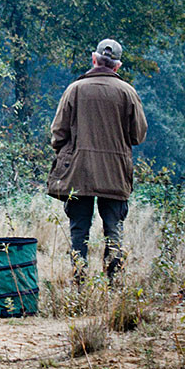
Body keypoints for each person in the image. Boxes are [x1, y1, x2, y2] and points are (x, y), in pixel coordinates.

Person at [47, 38, 147, 285]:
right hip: (115, 174)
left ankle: (79, 284)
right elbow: (138, 135)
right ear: (117, 66)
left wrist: (70, 152)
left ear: (94, 59)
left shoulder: (75, 90)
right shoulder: (128, 93)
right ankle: (113, 285)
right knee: (113, 230)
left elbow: (58, 134)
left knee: (79, 229)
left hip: (78, 173)